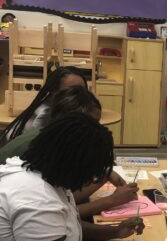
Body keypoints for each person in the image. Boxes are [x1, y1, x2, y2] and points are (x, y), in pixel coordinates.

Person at [0, 113, 145, 241]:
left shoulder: (41, 172)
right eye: (93, 170)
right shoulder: (37, 202)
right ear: (75, 164)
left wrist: (114, 231)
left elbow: (65, 227)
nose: (93, 178)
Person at [0, 85, 138, 218]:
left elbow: (64, 196)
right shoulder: (37, 150)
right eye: (91, 123)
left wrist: (103, 175)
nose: (96, 130)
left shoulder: (53, 138)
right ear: (71, 122)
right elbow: (55, 213)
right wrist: (111, 201)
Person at [0, 66, 88, 146]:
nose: (79, 95)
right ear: (54, 90)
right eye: (72, 90)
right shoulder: (47, 113)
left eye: (82, 90)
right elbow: (38, 148)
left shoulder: (55, 104)